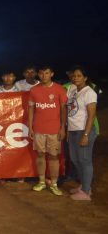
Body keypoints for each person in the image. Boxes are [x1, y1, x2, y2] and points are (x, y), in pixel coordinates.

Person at [28, 66, 67, 196]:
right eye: (41, 73)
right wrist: (30, 127)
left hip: (54, 130)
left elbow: (63, 110)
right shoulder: (34, 90)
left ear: (52, 74)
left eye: (46, 73)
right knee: (40, 155)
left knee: (54, 156)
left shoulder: (59, 89)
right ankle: (41, 181)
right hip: (39, 129)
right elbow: (31, 110)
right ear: (38, 75)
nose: (44, 76)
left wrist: (62, 127)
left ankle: (54, 184)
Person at [66, 67, 97, 201]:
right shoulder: (72, 89)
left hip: (84, 130)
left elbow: (91, 115)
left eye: (79, 76)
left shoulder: (89, 92)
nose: (76, 78)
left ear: (85, 78)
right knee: (75, 159)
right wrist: (67, 131)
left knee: (85, 160)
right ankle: (84, 185)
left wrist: (86, 135)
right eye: (74, 76)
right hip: (73, 130)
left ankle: (86, 191)